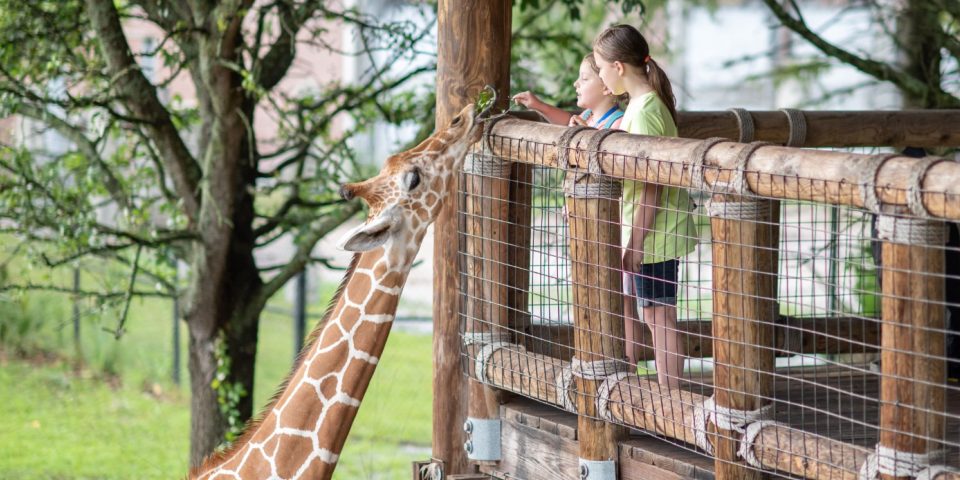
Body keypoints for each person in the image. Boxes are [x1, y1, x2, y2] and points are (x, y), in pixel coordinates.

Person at [593, 24, 698, 389]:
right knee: (655, 313)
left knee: (659, 316)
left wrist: (635, 245)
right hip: (653, 231)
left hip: (656, 234)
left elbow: (652, 184)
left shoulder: (647, 109)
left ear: (619, 66)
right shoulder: (642, 106)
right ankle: (668, 395)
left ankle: (670, 399)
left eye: (602, 68)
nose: (601, 77)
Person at [512, 53, 624, 129]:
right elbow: (566, 122)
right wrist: (538, 105)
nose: (575, 83)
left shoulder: (618, 123)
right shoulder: (587, 115)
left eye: (584, 79)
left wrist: (586, 135)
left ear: (606, 87)